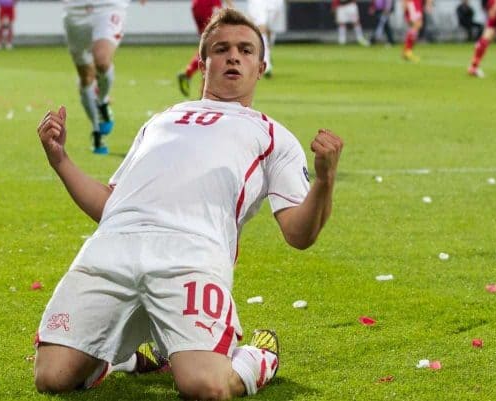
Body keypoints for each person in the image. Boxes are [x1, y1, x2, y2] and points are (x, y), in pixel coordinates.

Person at [34, 8, 344, 400]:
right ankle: (121, 357)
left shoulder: (272, 137)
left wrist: (325, 180)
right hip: (112, 246)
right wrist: (60, 160)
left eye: (246, 50)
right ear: (203, 63)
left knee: (205, 387)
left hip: (191, 256)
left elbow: (299, 234)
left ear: (261, 66)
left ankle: (258, 357)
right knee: (51, 378)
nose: (234, 56)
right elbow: (111, 204)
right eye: (222, 48)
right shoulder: (161, 120)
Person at [63, 0, 147, 155]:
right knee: (85, 77)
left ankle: (102, 100)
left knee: (101, 61)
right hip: (74, 11)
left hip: (108, 7)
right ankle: (96, 131)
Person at [177, 0, 234, 98]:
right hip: (210, 4)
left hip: (197, 5)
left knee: (208, 44)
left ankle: (190, 75)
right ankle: (204, 94)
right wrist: (230, 6)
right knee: (213, 44)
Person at [247, 0, 284, 77]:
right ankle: (266, 64)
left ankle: (267, 54)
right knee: (261, 27)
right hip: (258, 2)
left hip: (275, 3)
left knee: (270, 30)